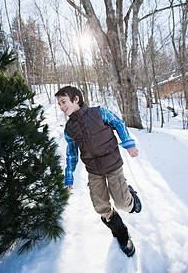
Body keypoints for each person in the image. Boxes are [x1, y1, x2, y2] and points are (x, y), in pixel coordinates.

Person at [55, 86, 142, 257]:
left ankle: (131, 198)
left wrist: (128, 143)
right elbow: (71, 153)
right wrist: (69, 175)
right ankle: (122, 234)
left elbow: (118, 123)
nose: (61, 106)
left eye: (63, 102)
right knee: (101, 208)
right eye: (59, 104)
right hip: (94, 171)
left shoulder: (99, 113)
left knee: (123, 204)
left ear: (76, 99)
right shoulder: (69, 129)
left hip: (113, 165)